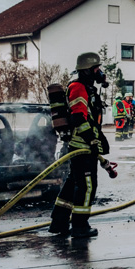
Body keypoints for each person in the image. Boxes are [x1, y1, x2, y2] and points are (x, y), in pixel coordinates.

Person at [49, 52, 110, 238]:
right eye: (96, 69)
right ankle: (80, 226)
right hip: (81, 145)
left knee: (73, 183)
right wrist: (91, 140)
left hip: (82, 144)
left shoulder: (88, 88)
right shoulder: (78, 87)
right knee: (87, 185)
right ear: (87, 71)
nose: (99, 72)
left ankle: (59, 223)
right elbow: (78, 117)